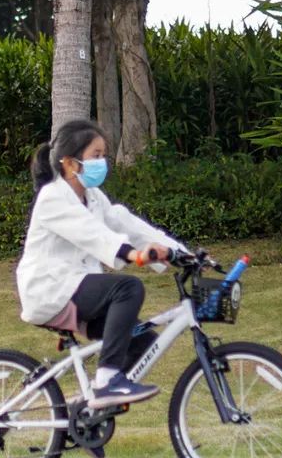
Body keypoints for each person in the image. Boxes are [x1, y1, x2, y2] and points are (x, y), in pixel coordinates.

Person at [15, 118, 184, 409]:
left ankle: (87, 410)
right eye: (96, 155)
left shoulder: (93, 198)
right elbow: (92, 234)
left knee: (142, 342)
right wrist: (133, 255)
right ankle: (107, 381)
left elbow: (125, 223)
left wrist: (181, 253)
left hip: (76, 291)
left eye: (103, 155)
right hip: (50, 290)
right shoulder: (52, 197)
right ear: (70, 163)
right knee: (128, 288)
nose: (102, 162)